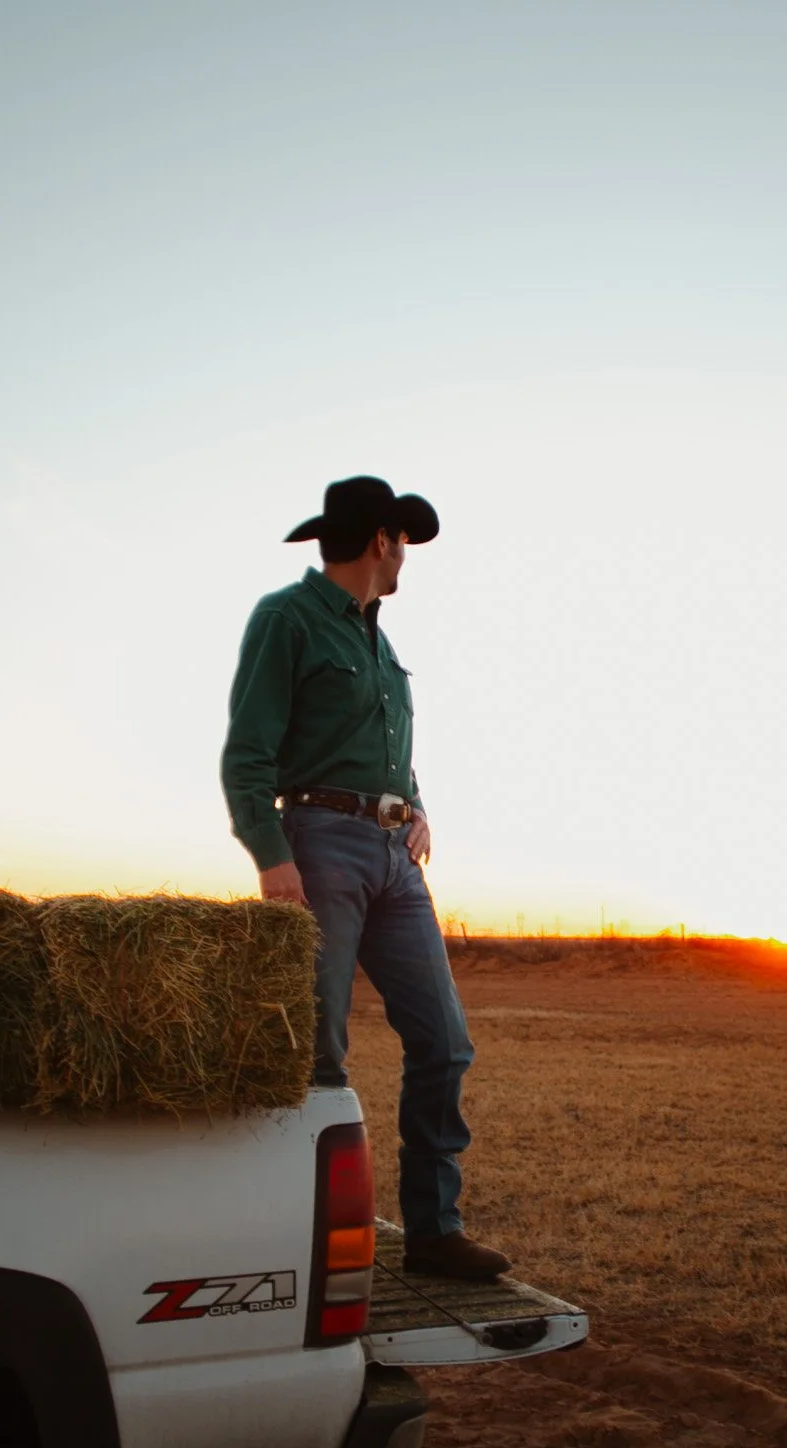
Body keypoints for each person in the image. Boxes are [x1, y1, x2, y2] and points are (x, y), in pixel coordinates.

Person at [220, 476, 512, 1281]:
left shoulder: (381, 644)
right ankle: (309, 1242)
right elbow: (247, 752)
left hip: (393, 855)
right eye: (403, 542)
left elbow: (388, 752)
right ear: (382, 540)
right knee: (319, 1052)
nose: (406, 557)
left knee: (445, 1043)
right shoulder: (287, 618)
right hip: (318, 845)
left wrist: (416, 805)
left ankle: (434, 1233)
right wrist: (272, 855)